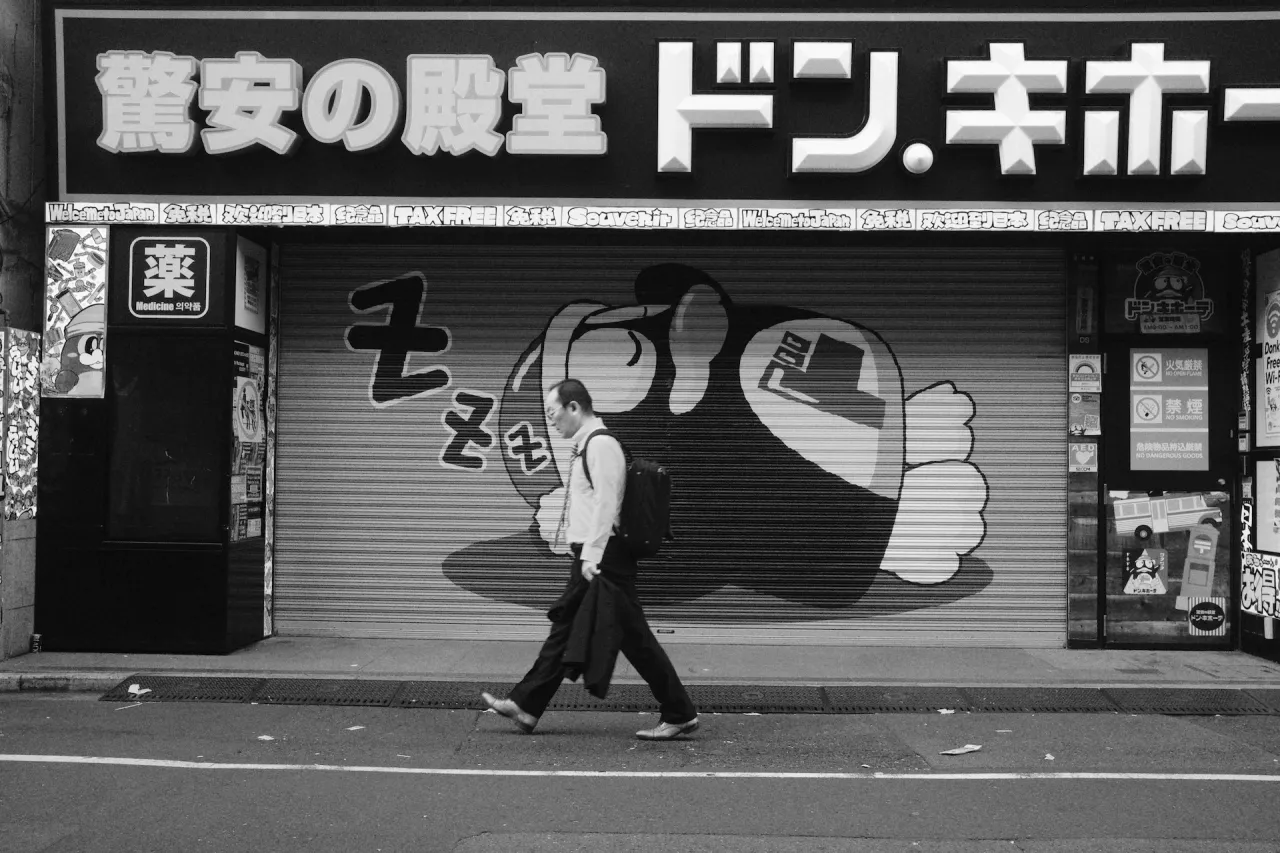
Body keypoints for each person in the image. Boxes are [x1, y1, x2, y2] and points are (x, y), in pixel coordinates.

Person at [482, 377, 699, 740]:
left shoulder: (601, 445)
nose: (550, 420)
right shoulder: (586, 445)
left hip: (604, 556)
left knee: (633, 639)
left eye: (553, 413)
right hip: (591, 553)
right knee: (567, 630)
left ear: (574, 407)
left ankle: (680, 711)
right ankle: (526, 705)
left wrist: (592, 553)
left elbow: (607, 503)